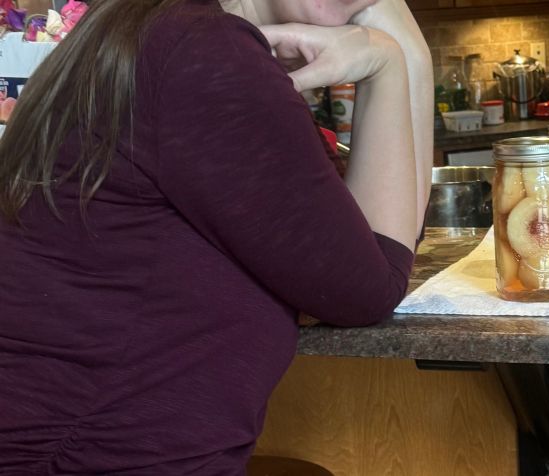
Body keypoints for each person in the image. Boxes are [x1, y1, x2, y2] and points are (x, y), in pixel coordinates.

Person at [0, 0, 432, 472]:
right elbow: (369, 287)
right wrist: (393, 62)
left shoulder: (157, 28)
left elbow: (370, 235)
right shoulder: (202, 51)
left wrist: (404, 54)